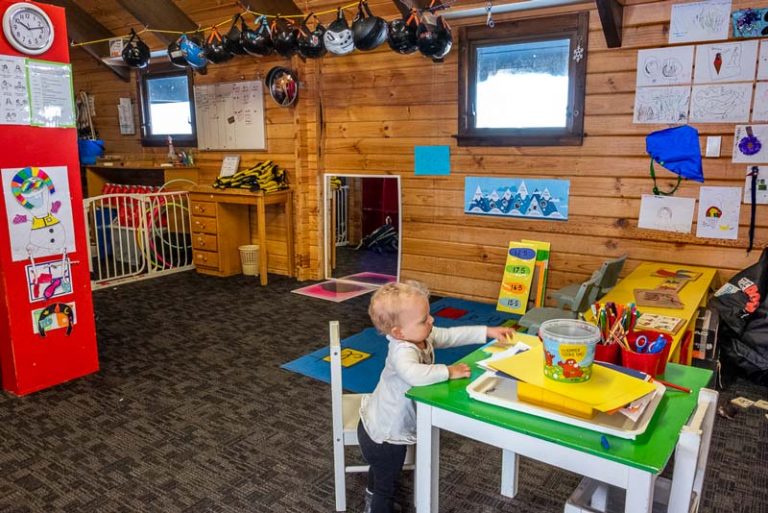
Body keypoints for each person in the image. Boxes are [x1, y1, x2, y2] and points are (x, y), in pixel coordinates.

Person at [358, 281, 515, 513]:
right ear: (398, 333)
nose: (431, 321)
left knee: (382, 473)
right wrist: (449, 371)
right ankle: (376, 506)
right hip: (386, 435)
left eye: (428, 315)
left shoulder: (420, 335)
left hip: (379, 424)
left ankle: (373, 495)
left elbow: (452, 335)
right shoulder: (402, 350)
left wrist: (487, 332)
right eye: (424, 319)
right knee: (386, 485)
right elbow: (413, 374)